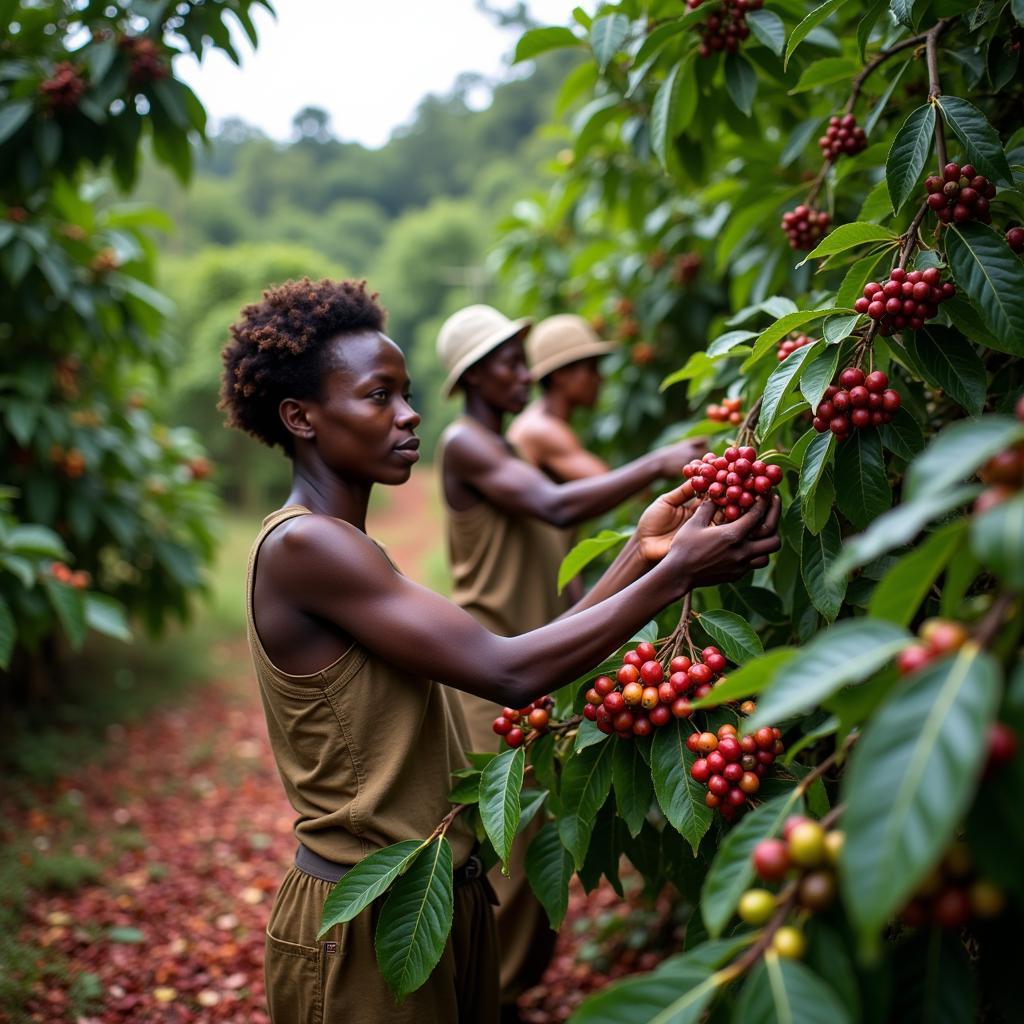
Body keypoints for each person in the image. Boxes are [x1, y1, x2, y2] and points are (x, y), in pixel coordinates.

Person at [220, 278, 780, 1024]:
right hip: (365, 920)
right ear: (301, 417)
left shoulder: (349, 548)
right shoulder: (307, 547)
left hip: (434, 893)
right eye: (378, 396)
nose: (410, 413)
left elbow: (513, 652)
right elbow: (508, 674)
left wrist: (642, 556)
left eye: (405, 392)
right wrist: (676, 572)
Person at [434, 305, 717, 1015]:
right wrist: (656, 464)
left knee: (528, 847)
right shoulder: (466, 443)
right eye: (507, 362)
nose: (523, 374)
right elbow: (557, 509)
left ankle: (500, 996)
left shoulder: (507, 447)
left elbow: (557, 555)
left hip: (540, 662)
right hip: (495, 670)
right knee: (507, 851)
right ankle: (478, 999)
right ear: (471, 376)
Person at [507, 313, 614, 483]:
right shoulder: (541, 430)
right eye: (592, 369)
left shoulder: (540, 418)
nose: (600, 379)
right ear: (560, 375)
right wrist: (659, 464)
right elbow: (610, 484)